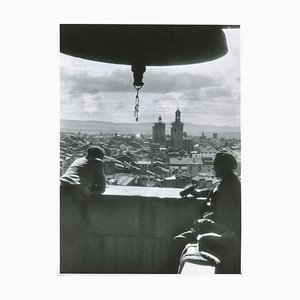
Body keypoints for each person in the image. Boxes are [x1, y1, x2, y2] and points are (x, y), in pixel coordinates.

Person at [173, 150, 241, 274]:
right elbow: (212, 192)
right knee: (178, 240)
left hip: (222, 232)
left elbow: (228, 218)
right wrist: (196, 192)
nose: (213, 169)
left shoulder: (232, 187)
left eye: (215, 166)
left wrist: (205, 222)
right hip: (212, 228)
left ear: (223, 167)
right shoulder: (226, 182)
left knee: (178, 242)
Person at [60, 146, 106, 272]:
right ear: (101, 156)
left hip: (60, 188)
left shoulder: (77, 160)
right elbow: (102, 187)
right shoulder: (98, 161)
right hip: (77, 191)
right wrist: (90, 185)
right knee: (78, 228)